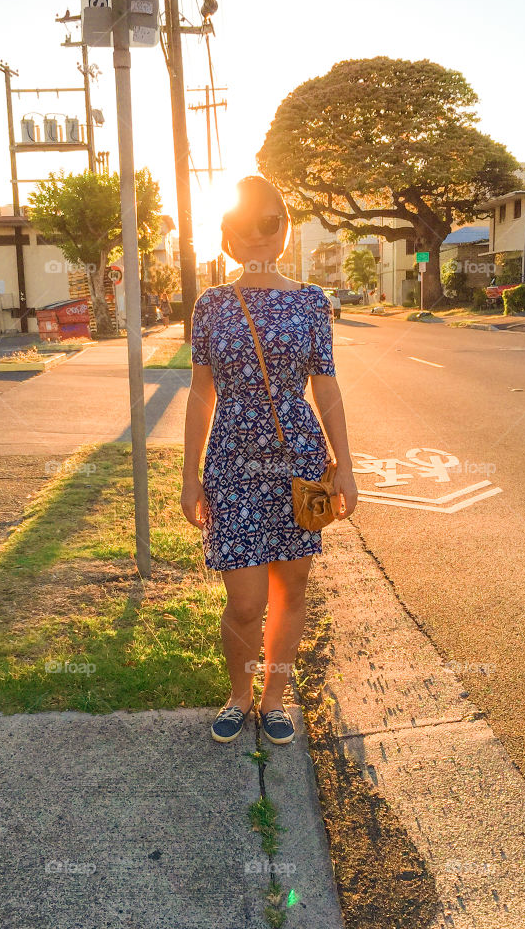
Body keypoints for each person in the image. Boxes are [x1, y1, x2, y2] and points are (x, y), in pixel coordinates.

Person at [180, 175, 358, 746]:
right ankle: (239, 694)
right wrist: (190, 478)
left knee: (292, 590)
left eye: (269, 222)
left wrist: (345, 465)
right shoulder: (210, 306)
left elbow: (326, 389)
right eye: (242, 226)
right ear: (227, 238)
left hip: (297, 462)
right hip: (232, 464)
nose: (257, 235)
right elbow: (200, 394)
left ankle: (275, 698)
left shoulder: (310, 303)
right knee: (246, 601)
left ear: (284, 228)